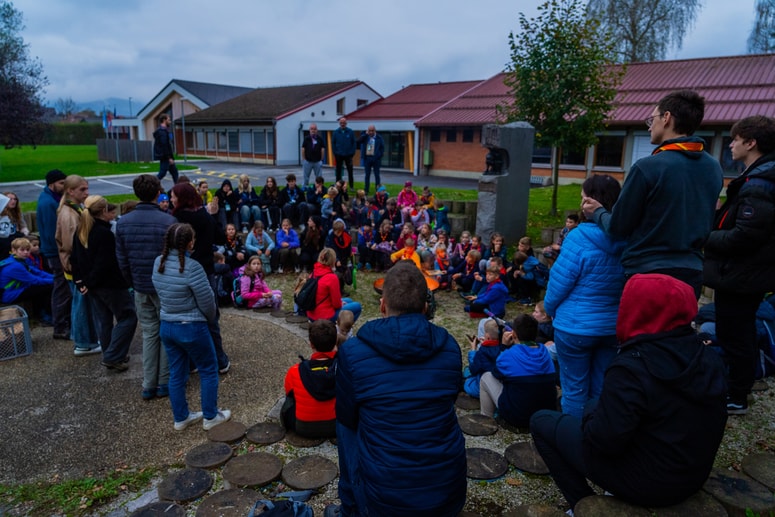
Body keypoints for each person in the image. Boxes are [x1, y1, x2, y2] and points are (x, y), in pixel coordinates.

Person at [530, 274, 728, 511]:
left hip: (649, 483)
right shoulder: (707, 356)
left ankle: (585, 505)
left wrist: (590, 418)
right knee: (594, 404)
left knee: (541, 421)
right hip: (691, 474)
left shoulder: (633, 366)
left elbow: (603, 442)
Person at [327, 261, 466, 517]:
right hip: (447, 495)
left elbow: (348, 417)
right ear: (426, 307)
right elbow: (452, 397)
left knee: (344, 426)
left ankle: (350, 508)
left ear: (382, 306)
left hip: (381, 501)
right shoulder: (449, 347)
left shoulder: (353, 352)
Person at [581, 90, 723, 298]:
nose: (649, 127)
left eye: (652, 119)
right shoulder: (713, 167)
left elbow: (618, 227)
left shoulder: (647, 167)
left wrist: (598, 212)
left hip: (649, 275)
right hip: (691, 273)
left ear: (666, 118)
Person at [704, 115, 775, 415]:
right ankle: (737, 388)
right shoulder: (757, 176)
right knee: (734, 330)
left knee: (736, 334)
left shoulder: (759, 183)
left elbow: (745, 236)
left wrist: (705, 237)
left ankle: (736, 396)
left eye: (735, 139)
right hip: (746, 273)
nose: (731, 144)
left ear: (751, 142)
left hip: (743, 275)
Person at [543, 175, 625, 419]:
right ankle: (596, 431)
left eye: (583, 198)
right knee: (600, 386)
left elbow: (559, 283)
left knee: (574, 388)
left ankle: (574, 434)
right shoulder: (628, 240)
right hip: (610, 326)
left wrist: (549, 308)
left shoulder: (578, 237)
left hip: (575, 326)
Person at [152, 223, 232, 431]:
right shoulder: (192, 267)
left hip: (167, 325)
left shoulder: (158, 263)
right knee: (208, 369)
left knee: (177, 373)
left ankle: (181, 417)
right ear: (189, 243)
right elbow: (207, 301)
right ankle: (210, 416)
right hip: (191, 326)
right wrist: (209, 318)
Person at [116, 174, 177, 399]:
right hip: (163, 284)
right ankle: (163, 381)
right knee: (166, 332)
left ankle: (149, 383)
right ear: (157, 193)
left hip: (141, 284)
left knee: (150, 333)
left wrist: (132, 281)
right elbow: (174, 256)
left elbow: (122, 259)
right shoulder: (168, 221)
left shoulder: (123, 222)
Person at [71, 196, 138, 371]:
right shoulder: (104, 234)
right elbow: (104, 263)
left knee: (104, 321)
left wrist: (82, 282)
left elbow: (74, 259)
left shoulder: (81, 230)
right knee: (128, 316)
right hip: (110, 284)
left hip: (92, 285)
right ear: (103, 211)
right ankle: (113, 355)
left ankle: (111, 354)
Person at [171, 183, 231, 374]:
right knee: (210, 315)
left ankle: (192, 361)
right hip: (205, 270)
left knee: (187, 316)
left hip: (182, 271)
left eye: (173, 196)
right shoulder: (203, 216)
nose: (171, 199)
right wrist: (214, 216)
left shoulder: (176, 219)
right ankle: (219, 359)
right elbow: (221, 238)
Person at [479, 314, 557, 427]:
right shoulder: (545, 352)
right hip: (544, 415)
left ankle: (486, 420)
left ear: (514, 334)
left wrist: (504, 347)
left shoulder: (509, 355)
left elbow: (496, 373)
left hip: (518, 417)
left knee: (486, 377)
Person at [56, 175, 100, 356]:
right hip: (76, 267)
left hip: (77, 265)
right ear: (70, 191)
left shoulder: (75, 209)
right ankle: (83, 343)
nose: (86, 193)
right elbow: (71, 246)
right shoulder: (69, 214)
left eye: (87, 188)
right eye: (82, 189)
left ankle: (88, 339)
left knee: (84, 303)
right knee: (81, 305)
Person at [282, 319, 338, 438]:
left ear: (311, 344)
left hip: (303, 428)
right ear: (335, 342)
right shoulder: (344, 368)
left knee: (290, 399)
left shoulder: (295, 371)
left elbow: (288, 394)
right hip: (337, 424)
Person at [37, 169, 71, 340]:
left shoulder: (51, 198)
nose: (64, 186)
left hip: (55, 251)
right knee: (62, 289)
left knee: (62, 288)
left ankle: (63, 323)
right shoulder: (49, 203)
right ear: (52, 184)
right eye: (61, 183)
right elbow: (53, 233)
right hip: (55, 252)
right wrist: (63, 252)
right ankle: (60, 326)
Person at [0, 237, 53, 319]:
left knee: (43, 286)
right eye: (22, 250)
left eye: (28, 250)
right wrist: (55, 281)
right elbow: (35, 280)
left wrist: (56, 277)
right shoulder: (15, 266)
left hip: (17, 289)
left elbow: (37, 272)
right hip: (9, 294)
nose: (25, 252)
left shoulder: (17, 259)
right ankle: (44, 315)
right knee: (46, 287)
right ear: (14, 250)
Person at [305, 248, 361, 323]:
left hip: (312, 313)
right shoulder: (332, 278)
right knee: (357, 306)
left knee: (348, 300)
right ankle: (342, 327)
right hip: (324, 316)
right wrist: (341, 304)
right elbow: (336, 304)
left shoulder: (314, 272)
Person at [464, 318, 503, 398]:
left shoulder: (482, 352)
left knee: (467, 383)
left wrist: (473, 350)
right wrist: (486, 343)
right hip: (501, 384)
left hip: (485, 386)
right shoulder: (506, 348)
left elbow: (473, 369)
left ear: (487, 336)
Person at [356, 125, 384, 194]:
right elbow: (358, 141)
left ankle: (378, 190)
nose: (371, 132)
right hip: (367, 158)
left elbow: (382, 148)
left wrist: (378, 156)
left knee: (377, 175)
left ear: (375, 131)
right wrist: (365, 134)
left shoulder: (379, 138)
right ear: (368, 131)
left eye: (372, 131)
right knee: (367, 175)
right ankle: (366, 189)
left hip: (376, 159)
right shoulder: (365, 137)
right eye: (369, 131)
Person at [0, 191, 29, 258]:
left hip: (15, 235)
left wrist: (25, 232)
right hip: (4, 237)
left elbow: (23, 225)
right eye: (10, 199)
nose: (13, 201)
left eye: (15, 199)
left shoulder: (17, 213)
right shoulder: (1, 213)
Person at [153, 114, 178, 183]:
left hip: (166, 156)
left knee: (174, 172)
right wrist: (169, 158)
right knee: (162, 173)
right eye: (169, 120)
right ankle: (151, 184)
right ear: (164, 120)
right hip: (165, 156)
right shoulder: (162, 132)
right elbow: (164, 145)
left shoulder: (164, 131)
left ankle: (178, 187)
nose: (170, 121)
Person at [332, 117, 356, 186]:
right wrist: (335, 152)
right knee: (338, 171)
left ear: (346, 123)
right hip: (339, 155)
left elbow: (354, 143)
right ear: (339, 123)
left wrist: (352, 153)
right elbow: (333, 143)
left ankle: (351, 186)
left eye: (344, 123)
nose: (342, 124)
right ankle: (338, 185)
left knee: (350, 171)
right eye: (341, 123)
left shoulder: (350, 132)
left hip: (348, 155)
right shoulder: (336, 132)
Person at [301, 123, 325, 188]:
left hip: (317, 161)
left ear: (317, 130)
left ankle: (319, 187)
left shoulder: (320, 139)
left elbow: (322, 149)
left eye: (314, 129)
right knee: (306, 176)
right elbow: (303, 149)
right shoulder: (306, 138)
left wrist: (321, 159)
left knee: (319, 176)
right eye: (312, 129)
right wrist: (304, 159)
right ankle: (305, 187)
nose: (313, 130)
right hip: (308, 161)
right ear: (309, 130)